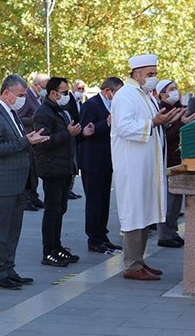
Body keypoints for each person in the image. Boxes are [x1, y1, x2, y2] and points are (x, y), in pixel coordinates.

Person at [111, 54, 183, 281]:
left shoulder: (143, 95)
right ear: (137, 74)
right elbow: (123, 127)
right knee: (134, 211)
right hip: (132, 165)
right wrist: (153, 122)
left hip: (146, 164)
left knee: (144, 211)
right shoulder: (125, 95)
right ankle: (131, 264)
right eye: (150, 74)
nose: (154, 78)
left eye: (155, 74)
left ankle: (139, 261)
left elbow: (154, 122)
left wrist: (166, 120)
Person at [0, 74, 50, 290]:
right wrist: (25, 141)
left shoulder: (11, 112)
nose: (23, 99)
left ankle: (8, 268)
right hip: (3, 182)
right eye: (20, 95)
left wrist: (31, 141)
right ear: (6, 93)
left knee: (13, 229)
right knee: (0, 230)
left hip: (18, 182)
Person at [33, 77, 93, 267]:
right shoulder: (43, 112)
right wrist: (68, 133)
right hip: (52, 168)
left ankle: (56, 246)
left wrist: (82, 134)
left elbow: (70, 138)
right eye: (65, 92)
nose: (68, 96)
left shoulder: (62, 110)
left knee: (60, 209)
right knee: (52, 211)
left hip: (65, 167)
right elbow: (43, 142)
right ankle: (48, 250)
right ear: (53, 93)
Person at [79, 77, 124, 253]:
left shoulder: (114, 106)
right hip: (92, 160)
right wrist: (106, 123)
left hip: (108, 159)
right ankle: (94, 238)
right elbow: (86, 130)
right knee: (94, 200)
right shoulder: (91, 105)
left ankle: (102, 234)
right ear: (108, 91)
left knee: (104, 199)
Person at [155, 79, 195, 248]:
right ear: (162, 94)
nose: (175, 92)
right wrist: (182, 123)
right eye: (171, 89)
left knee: (175, 201)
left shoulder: (178, 108)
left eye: (176, 88)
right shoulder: (162, 111)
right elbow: (165, 137)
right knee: (168, 200)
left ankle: (172, 231)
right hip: (167, 160)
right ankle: (164, 235)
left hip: (179, 159)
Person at [17, 73, 48, 211]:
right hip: (27, 137)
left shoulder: (39, 97)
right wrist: (37, 120)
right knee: (28, 171)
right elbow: (19, 117)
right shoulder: (27, 96)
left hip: (35, 139)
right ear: (36, 85)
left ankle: (34, 196)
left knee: (34, 171)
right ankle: (26, 199)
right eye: (44, 87)